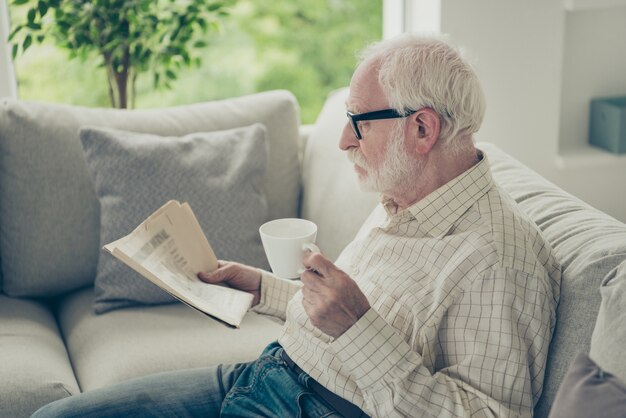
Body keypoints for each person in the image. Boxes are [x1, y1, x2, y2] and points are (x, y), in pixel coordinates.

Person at [33, 34, 561, 418]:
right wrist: (262, 288)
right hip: (269, 373)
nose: (343, 142)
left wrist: (357, 329)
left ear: (422, 128)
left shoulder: (499, 258)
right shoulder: (406, 195)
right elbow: (347, 320)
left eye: (358, 122)